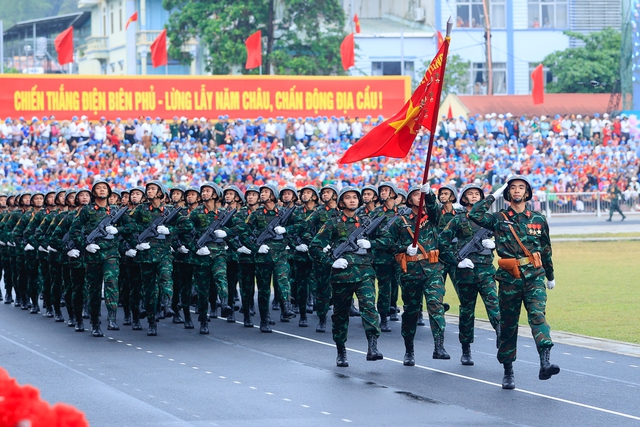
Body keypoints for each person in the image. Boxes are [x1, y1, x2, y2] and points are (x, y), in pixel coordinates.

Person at [468, 175, 559, 390]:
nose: (517, 191)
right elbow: (475, 214)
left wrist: (551, 275)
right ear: (509, 193)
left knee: (537, 316)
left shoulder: (538, 218)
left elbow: (546, 249)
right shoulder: (499, 218)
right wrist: (494, 194)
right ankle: (508, 371)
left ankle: (545, 362)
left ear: (527, 193)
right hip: (510, 278)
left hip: (535, 275)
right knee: (508, 325)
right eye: (513, 188)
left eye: (521, 187)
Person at [309, 187, 384, 367]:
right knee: (341, 315)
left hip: (365, 273)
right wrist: (330, 262)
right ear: (341, 202)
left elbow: (388, 240)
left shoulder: (366, 221)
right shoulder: (332, 223)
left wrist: (371, 243)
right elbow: (315, 246)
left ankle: (372, 347)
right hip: (342, 276)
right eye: (348, 198)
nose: (352, 200)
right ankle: (341, 351)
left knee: (369, 309)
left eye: (355, 198)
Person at [386, 184, 450, 366]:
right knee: (411, 312)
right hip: (411, 272)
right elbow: (385, 241)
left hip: (433, 269)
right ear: (409, 199)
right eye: (416, 195)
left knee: (436, 305)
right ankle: (409, 350)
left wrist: (428, 194)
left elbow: (435, 208)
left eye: (420, 195)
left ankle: (439, 346)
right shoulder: (400, 221)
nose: (419, 197)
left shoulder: (432, 217)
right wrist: (403, 248)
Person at [439, 184, 501, 366]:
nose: (474, 197)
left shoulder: (489, 219)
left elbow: (507, 237)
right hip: (465, 273)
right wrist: (456, 261)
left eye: (477, 194)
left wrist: (495, 243)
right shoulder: (458, 220)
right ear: (464, 199)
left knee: (494, 305)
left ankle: (500, 334)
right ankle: (466, 349)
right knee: (467, 312)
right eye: (470, 194)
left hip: (486, 271)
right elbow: (442, 241)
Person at [68, 181, 123, 337]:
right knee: (94, 290)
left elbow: (131, 228)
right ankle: (94, 323)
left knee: (112, 283)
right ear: (94, 193)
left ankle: (112, 318)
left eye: (104, 188)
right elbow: (74, 231)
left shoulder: (115, 210)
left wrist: (118, 229)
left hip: (111, 254)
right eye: (98, 188)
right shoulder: (87, 211)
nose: (101, 190)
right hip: (93, 255)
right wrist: (85, 245)